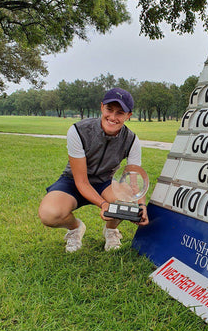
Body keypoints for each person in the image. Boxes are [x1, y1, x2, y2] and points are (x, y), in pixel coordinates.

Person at [38, 87, 149, 252]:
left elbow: (134, 179)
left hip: (104, 182)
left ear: (128, 116)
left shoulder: (131, 140)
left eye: (120, 113)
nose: (112, 117)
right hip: (73, 182)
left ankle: (111, 230)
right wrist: (103, 204)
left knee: (126, 198)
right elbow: (81, 181)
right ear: (102, 107)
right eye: (109, 110)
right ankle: (75, 228)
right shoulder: (78, 130)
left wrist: (141, 206)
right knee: (49, 213)